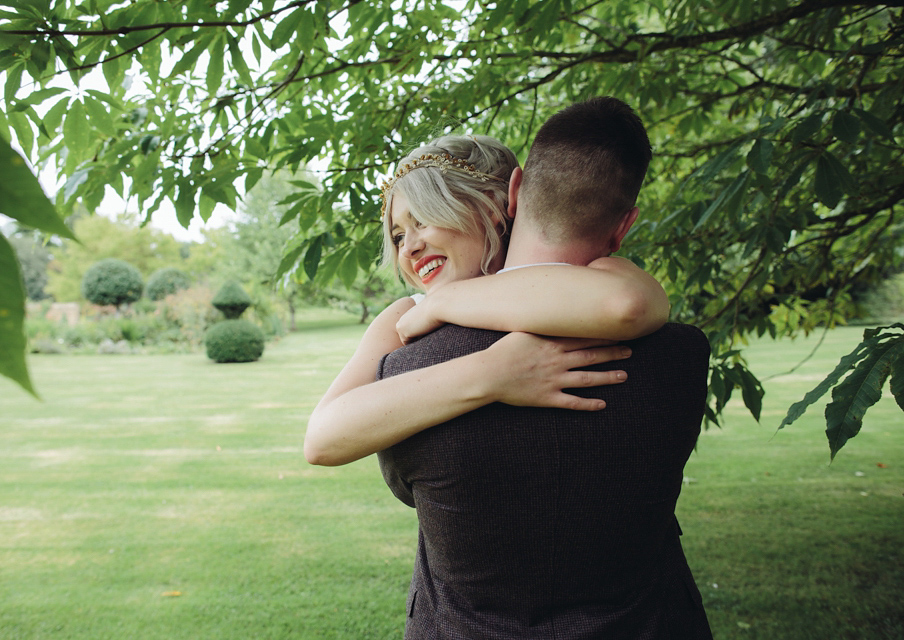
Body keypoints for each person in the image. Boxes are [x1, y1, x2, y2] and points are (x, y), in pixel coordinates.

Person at [376, 97, 713, 638]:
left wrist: (440, 312)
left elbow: (390, 475)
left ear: (513, 195)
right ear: (624, 225)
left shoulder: (406, 366)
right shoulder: (684, 357)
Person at [304, 132, 670, 467]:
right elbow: (322, 439)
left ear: (494, 206)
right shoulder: (405, 314)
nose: (410, 248)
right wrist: (493, 373)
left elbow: (629, 302)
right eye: (399, 236)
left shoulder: (580, 278)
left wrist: (443, 303)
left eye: (424, 218)